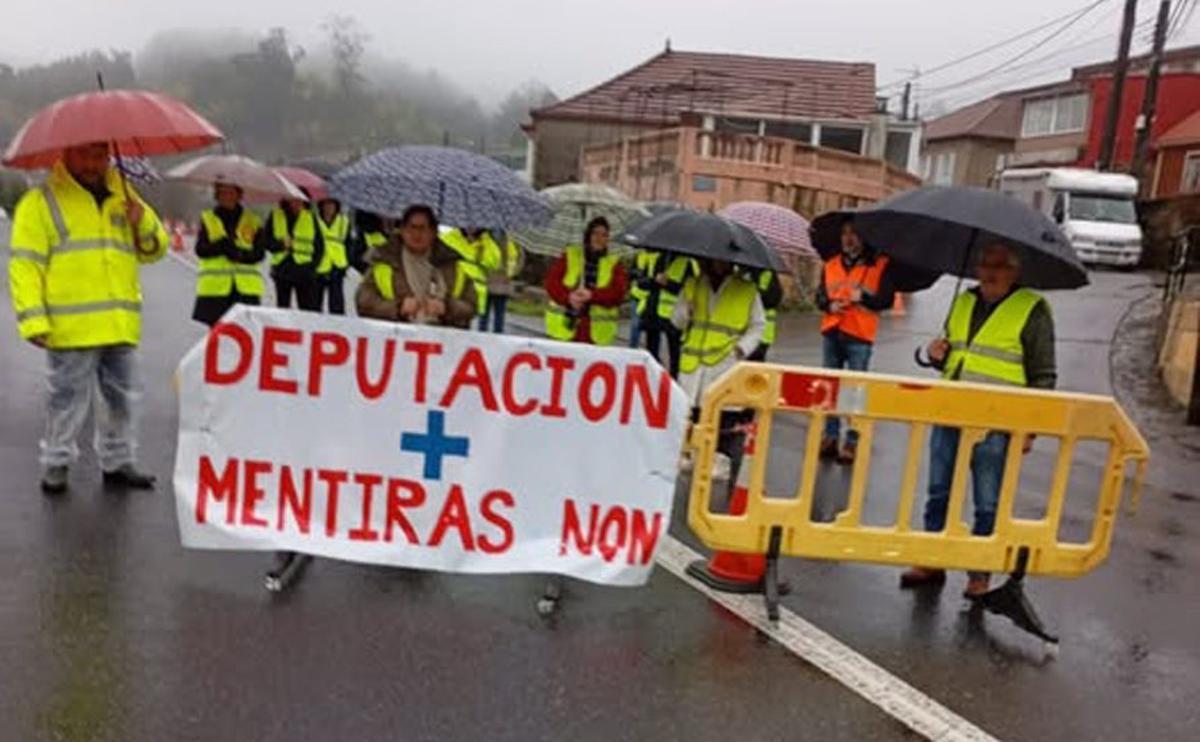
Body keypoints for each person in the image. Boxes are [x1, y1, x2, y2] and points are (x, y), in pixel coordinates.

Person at [7, 142, 168, 493]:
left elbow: (155, 250)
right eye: (84, 155)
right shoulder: (41, 203)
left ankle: (118, 461)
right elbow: (25, 265)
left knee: (122, 399)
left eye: (99, 156)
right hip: (71, 327)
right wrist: (33, 320)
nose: (93, 164)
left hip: (119, 323)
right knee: (66, 400)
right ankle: (56, 462)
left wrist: (142, 223)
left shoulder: (125, 196)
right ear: (66, 154)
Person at [901, 242, 1056, 598]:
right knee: (938, 491)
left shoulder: (1032, 309)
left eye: (999, 266)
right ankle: (931, 559)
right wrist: (934, 354)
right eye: (985, 264)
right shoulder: (964, 300)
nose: (989, 272)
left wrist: (1030, 430)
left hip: (996, 422)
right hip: (950, 411)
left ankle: (979, 572)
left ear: (1014, 271)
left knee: (987, 501)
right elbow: (952, 356)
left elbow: (1043, 375)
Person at [674, 257, 765, 480]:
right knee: (692, 412)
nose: (716, 264)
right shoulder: (693, 285)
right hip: (694, 363)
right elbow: (676, 321)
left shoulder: (747, 290)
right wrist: (685, 311)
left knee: (723, 414)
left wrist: (741, 349)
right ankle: (690, 453)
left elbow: (758, 325)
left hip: (724, 361)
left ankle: (719, 459)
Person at [817, 217, 894, 464]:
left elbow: (886, 300)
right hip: (832, 330)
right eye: (845, 233)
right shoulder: (831, 264)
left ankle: (852, 439)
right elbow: (820, 297)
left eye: (854, 234)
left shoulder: (879, 265)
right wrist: (830, 305)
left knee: (855, 391)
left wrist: (863, 297)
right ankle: (830, 436)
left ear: (864, 238)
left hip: (859, 335)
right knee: (830, 387)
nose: (848, 239)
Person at [356, 205, 476, 328]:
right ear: (402, 230)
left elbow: (471, 306)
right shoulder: (384, 260)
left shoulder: (453, 266)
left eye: (423, 228)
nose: (417, 234)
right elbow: (364, 302)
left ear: (434, 232)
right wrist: (398, 307)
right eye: (412, 227)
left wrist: (447, 308)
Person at [543, 216, 629, 345]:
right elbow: (551, 283)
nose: (599, 238)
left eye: (604, 235)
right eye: (595, 233)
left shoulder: (614, 264)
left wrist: (592, 295)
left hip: (596, 334)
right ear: (588, 235)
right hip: (566, 327)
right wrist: (569, 297)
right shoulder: (571, 255)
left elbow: (618, 293)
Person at [191, 183, 267, 326]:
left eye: (231, 192)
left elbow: (259, 254)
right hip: (215, 289)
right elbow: (201, 250)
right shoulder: (208, 218)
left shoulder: (253, 221)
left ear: (239, 195)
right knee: (217, 333)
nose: (227, 197)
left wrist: (239, 255)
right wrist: (222, 246)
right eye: (222, 193)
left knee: (244, 332)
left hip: (245, 289)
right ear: (217, 196)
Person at [639, 251, 696, 377]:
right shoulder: (654, 258)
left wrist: (668, 283)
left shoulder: (686, 263)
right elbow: (641, 282)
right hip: (652, 311)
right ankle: (652, 376)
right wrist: (654, 280)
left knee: (674, 352)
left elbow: (688, 288)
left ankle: (674, 379)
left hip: (672, 314)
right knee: (651, 351)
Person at [265, 196, 324, 312]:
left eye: (300, 200)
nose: (297, 203)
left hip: (304, 269)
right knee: (283, 309)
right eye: (293, 199)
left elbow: (319, 246)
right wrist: (280, 245)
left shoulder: (310, 217)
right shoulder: (275, 215)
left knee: (307, 309)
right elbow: (266, 242)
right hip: (282, 268)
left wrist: (313, 266)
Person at [441, 227, 501, 325]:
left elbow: (494, 262)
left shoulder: (488, 245)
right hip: (447, 293)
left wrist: (481, 246)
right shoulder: (447, 238)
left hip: (471, 299)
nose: (471, 226)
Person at [479, 231, 524, 333]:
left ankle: (489, 336)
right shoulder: (484, 239)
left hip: (500, 282)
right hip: (489, 281)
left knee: (494, 315)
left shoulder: (511, 241)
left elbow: (520, 258)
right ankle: (488, 336)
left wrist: (512, 273)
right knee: (487, 315)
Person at [314, 197, 351, 315]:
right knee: (315, 303)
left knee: (336, 305)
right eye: (326, 204)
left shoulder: (344, 221)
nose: (329, 208)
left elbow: (349, 244)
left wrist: (346, 263)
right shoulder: (315, 220)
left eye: (332, 204)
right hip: (319, 265)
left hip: (337, 265)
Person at [744, 268, 783, 361]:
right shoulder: (742, 271)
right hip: (744, 333)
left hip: (762, 334)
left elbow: (773, 297)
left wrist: (753, 292)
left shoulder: (767, 273)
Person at [627, 249, 657, 349]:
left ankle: (651, 352)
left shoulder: (659, 257)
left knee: (652, 328)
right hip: (637, 294)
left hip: (651, 296)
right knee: (635, 324)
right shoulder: (640, 255)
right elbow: (631, 272)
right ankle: (632, 349)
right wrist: (637, 274)